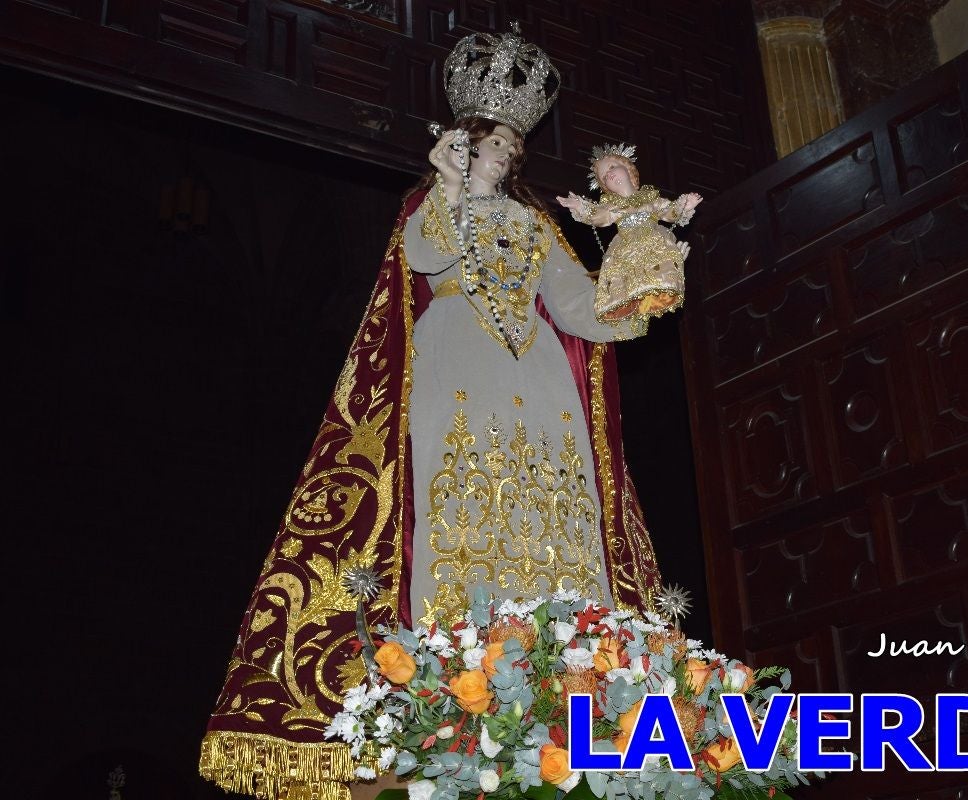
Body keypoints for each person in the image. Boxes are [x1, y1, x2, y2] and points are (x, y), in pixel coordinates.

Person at [198, 24, 664, 800]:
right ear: (459, 144)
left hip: (545, 396)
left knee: (555, 523)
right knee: (460, 517)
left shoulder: (538, 227)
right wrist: (445, 185)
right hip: (458, 378)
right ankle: (455, 700)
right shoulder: (429, 209)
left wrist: (640, 233)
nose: (502, 160)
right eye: (488, 147)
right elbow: (422, 254)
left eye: (514, 154)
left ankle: (574, 692)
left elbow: (590, 313)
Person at [556, 143, 702, 322]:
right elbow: (599, 215)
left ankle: (660, 287)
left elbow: (669, 211)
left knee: (658, 267)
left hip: (653, 241)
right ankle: (627, 300)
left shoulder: (651, 198)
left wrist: (684, 206)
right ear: (606, 187)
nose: (609, 174)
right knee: (624, 274)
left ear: (627, 167)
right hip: (626, 246)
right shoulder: (612, 207)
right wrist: (580, 206)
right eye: (604, 177)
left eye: (612, 167)